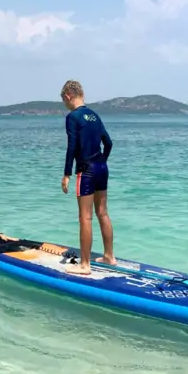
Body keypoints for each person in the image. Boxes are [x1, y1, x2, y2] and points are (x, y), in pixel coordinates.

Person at [60, 80, 117, 274]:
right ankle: (109, 256)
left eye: (64, 101)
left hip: (86, 170)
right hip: (102, 167)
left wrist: (67, 173)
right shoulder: (94, 115)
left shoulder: (73, 117)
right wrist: (102, 162)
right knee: (103, 212)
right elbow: (108, 142)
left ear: (68, 96)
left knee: (85, 217)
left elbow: (72, 146)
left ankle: (85, 265)